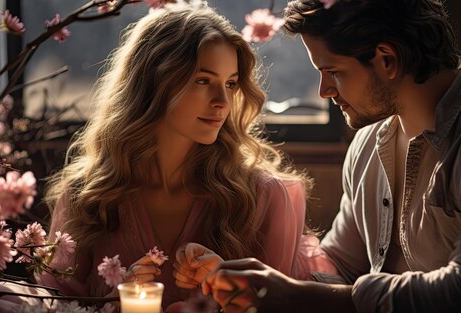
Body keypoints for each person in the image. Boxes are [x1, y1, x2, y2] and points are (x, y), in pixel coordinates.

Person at [201, 0, 461, 312]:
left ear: (387, 60)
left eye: (333, 72)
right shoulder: (369, 143)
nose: (324, 91)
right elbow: (339, 266)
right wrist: (243, 283)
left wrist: (298, 297)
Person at [38, 2, 310, 311]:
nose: (223, 101)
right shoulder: (86, 196)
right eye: (203, 80)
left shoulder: (264, 197)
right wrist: (115, 302)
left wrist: (232, 291)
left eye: (231, 84)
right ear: (154, 82)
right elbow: (53, 305)